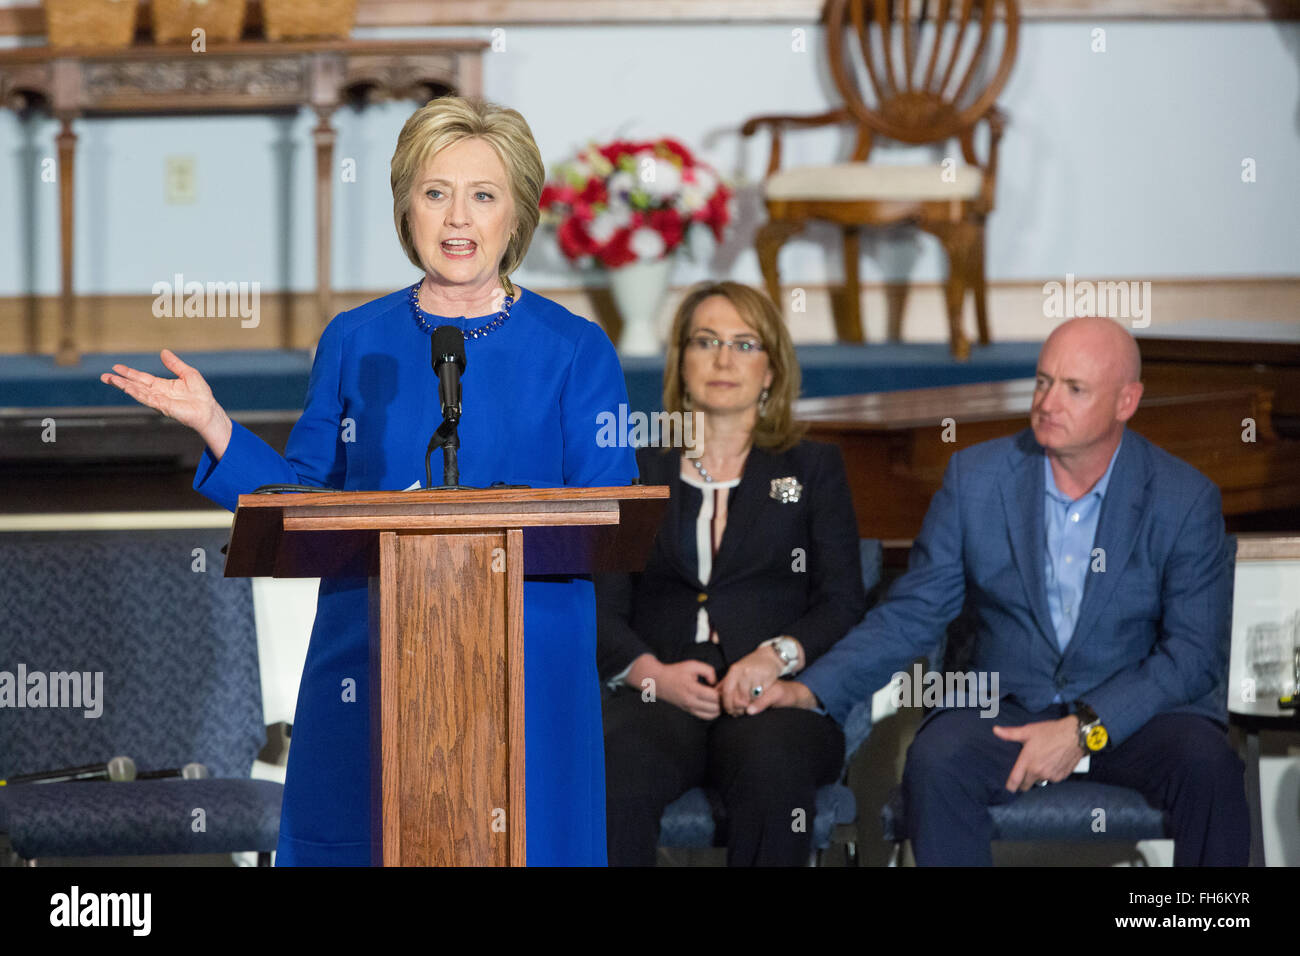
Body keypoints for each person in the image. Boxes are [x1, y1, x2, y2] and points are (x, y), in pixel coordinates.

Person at [100, 95, 635, 866]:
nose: (458, 218)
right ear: (404, 208)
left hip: (526, 657)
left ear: (517, 216)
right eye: (435, 192)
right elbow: (303, 505)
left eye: (483, 195)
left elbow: (608, 516)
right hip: (376, 653)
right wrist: (217, 426)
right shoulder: (355, 339)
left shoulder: (577, 350)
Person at [750, 315, 1250, 866]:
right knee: (936, 761)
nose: (1048, 402)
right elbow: (913, 614)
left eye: (1074, 389)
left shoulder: (1184, 498)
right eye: (1042, 381)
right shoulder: (976, 478)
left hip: (1134, 715)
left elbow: (1193, 656)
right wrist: (814, 690)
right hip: (1006, 702)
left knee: (1211, 766)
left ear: (1126, 402)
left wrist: (1085, 730)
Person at [596, 281, 867, 866]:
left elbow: (842, 601)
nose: (724, 360)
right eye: (706, 341)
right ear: (682, 361)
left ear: (771, 369)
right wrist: (651, 674)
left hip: (771, 697)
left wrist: (776, 658)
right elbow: (601, 606)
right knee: (614, 774)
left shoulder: (812, 468)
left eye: (746, 345)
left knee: (772, 772)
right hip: (659, 691)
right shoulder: (635, 469)